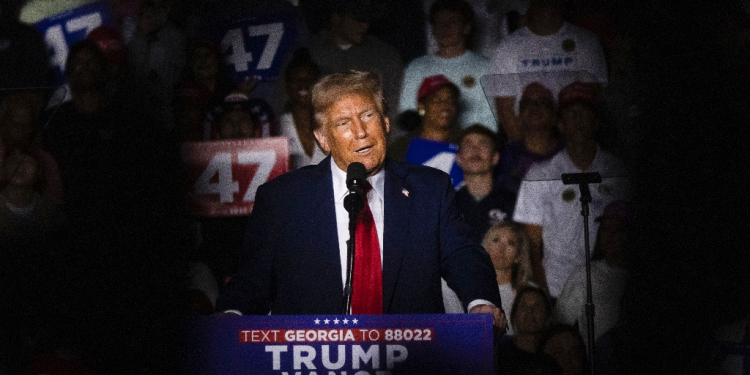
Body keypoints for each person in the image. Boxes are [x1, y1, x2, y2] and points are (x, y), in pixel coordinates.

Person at [216, 71, 506, 331]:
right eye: (343, 122)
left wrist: (480, 302)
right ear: (323, 139)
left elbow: (463, 255)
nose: (360, 131)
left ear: (386, 122)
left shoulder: (430, 189)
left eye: (368, 116)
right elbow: (253, 276)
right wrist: (232, 313)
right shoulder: (282, 199)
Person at [512, 81, 630, 299]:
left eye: (583, 113)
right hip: (556, 287)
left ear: (595, 123)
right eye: (570, 114)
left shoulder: (618, 171)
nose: (577, 120)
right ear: (560, 125)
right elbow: (533, 244)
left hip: (609, 288)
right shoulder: (540, 174)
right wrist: (545, 294)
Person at [489, 0, 608, 142]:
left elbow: (591, 103)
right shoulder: (508, 47)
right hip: (529, 139)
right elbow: (506, 110)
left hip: (574, 140)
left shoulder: (586, 42)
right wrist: (524, 153)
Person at [398, 0, 496, 131]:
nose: (445, 27)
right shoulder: (416, 68)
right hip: (429, 143)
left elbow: (490, 120)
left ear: (466, 27)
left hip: (471, 145)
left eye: (453, 21)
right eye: (439, 22)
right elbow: (408, 115)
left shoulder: (485, 67)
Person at [555, 200, 631, 346]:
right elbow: (561, 326)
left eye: (617, 230)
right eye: (604, 229)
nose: (609, 237)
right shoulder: (585, 275)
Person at [443, 221, 534, 335]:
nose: (501, 248)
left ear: (519, 255)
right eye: (496, 240)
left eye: (511, 243)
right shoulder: (465, 289)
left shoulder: (531, 292)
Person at [493, 82, 563, 203]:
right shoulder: (504, 155)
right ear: (519, 117)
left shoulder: (568, 153)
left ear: (554, 117)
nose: (534, 107)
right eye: (527, 104)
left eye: (542, 103)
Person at [453, 124, 515, 241]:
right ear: (458, 158)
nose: (475, 150)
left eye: (483, 144)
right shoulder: (448, 206)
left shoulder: (513, 202)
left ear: (495, 158)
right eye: (468, 145)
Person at [387, 74, 462, 161]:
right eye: (436, 100)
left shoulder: (467, 145)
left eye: (450, 100)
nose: (445, 105)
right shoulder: (401, 147)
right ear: (421, 105)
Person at [278, 47, 327, 170]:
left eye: (309, 79)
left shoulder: (331, 123)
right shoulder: (278, 126)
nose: (303, 84)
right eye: (296, 79)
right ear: (288, 85)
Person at [495, 285, 562, 375]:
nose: (530, 312)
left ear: (547, 316)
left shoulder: (554, 358)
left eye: (537, 306)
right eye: (523, 306)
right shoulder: (499, 357)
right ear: (514, 315)